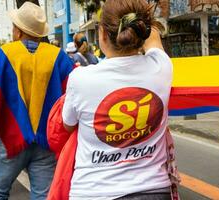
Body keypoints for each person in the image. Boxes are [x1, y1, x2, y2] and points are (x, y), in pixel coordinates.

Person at [61, 0, 173, 199]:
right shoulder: (161, 67)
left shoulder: (80, 78)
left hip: (94, 190)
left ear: (102, 33)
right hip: (154, 190)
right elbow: (154, 39)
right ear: (142, 31)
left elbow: (68, 125)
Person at [0, 2, 74, 200]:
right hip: (46, 141)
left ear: (18, 31)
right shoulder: (58, 57)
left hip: (10, 139)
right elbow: (72, 98)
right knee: (44, 196)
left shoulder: (1, 56)